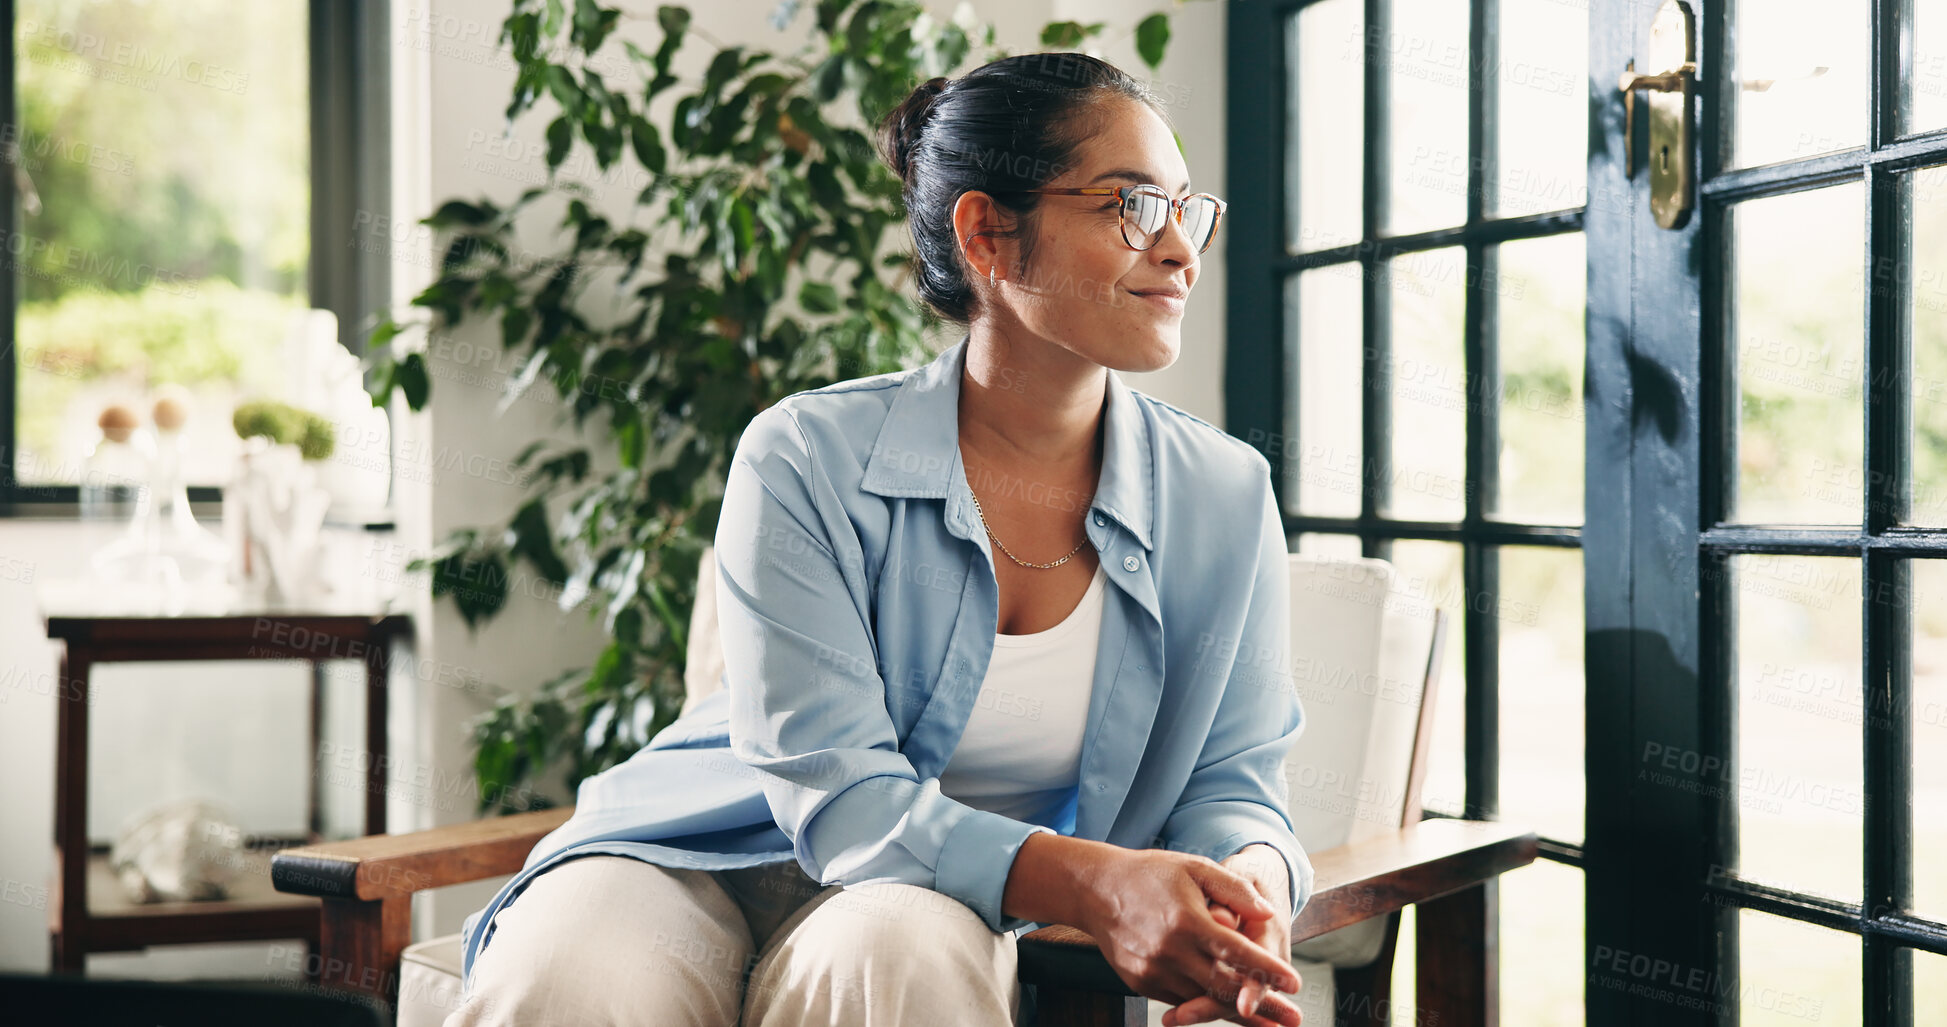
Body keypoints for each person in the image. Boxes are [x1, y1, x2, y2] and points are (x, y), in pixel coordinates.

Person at [445, 50, 1311, 1027]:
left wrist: (1249, 890)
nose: (1181, 250)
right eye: (1130, 206)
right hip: (702, 853)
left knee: (901, 947)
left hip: (939, 898)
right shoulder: (807, 454)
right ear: (986, 232)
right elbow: (839, 792)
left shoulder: (1224, 495)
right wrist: (1099, 884)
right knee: (568, 983)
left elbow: (1235, 778)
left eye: (1187, 208)